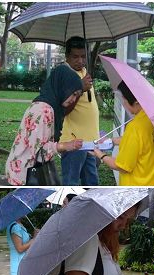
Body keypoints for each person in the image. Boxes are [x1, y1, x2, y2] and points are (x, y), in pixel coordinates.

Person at [5, 64, 84, 185]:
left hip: (24, 170)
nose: (74, 99)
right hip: (24, 175)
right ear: (63, 87)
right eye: (73, 94)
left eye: (77, 95)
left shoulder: (51, 106)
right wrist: (65, 146)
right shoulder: (44, 110)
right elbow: (38, 152)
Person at [91, 80, 154, 186]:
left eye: (124, 99)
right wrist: (111, 141)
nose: (123, 103)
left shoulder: (135, 127)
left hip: (138, 184)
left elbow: (121, 166)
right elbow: (143, 142)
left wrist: (99, 154)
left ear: (137, 102)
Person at [59, 36, 100, 186]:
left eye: (83, 56)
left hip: (89, 142)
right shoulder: (64, 75)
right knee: (71, 185)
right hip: (73, 142)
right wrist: (80, 89)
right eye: (75, 57)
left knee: (92, 184)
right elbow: (63, 109)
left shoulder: (83, 72)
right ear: (67, 56)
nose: (80, 61)